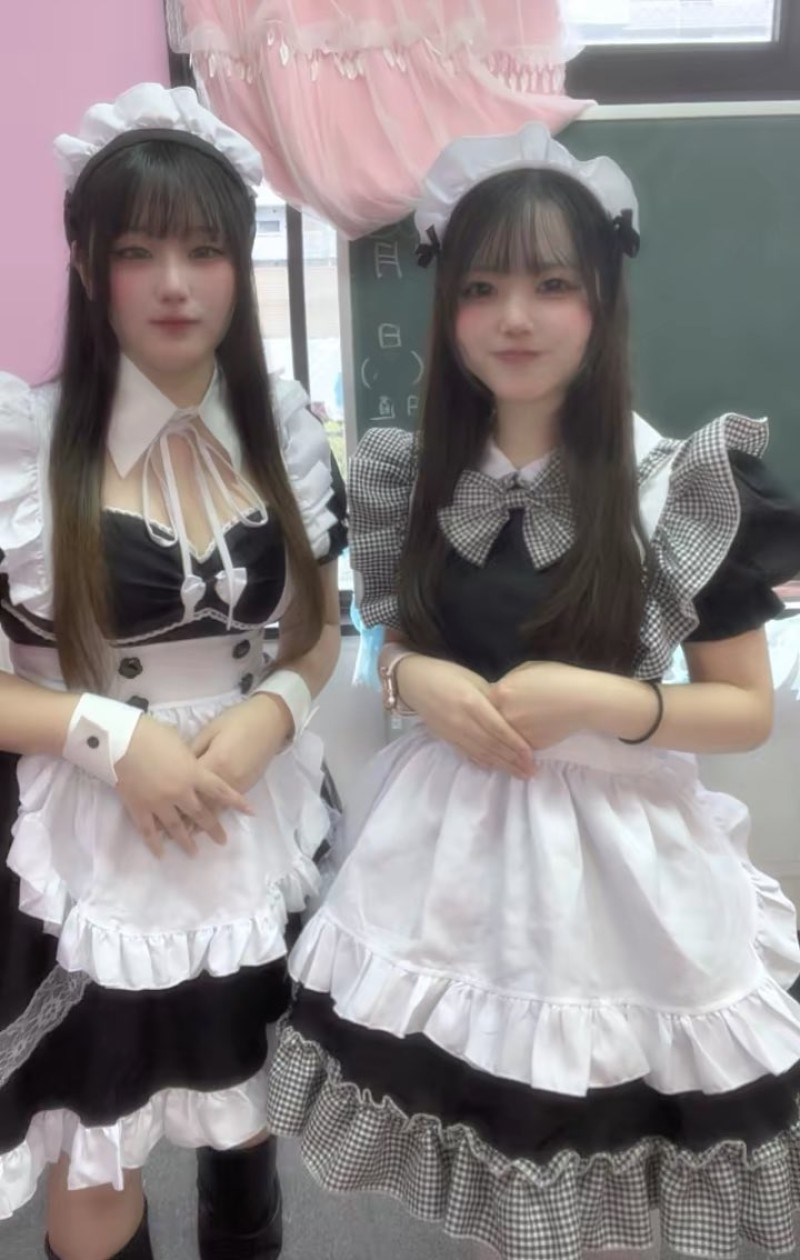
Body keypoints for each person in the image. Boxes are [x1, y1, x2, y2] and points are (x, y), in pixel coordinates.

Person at [266, 123, 800, 1259]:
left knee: (602, 1138)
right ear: (447, 309)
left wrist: (598, 702)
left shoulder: (683, 485)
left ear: (601, 300)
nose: (513, 317)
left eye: (551, 285)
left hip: (616, 864)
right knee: (485, 1133)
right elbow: (395, 636)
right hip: (447, 852)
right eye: (481, 288)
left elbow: (744, 709)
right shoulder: (409, 477)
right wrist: (413, 675)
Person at [0, 83, 346, 1260]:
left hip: (255, 815)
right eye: (135, 252)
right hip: (88, 841)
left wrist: (272, 714)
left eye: (204, 251)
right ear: (85, 265)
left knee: (246, 1121)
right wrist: (114, 739)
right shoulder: (23, 445)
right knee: (98, 1151)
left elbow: (318, 629)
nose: (174, 284)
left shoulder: (284, 432)